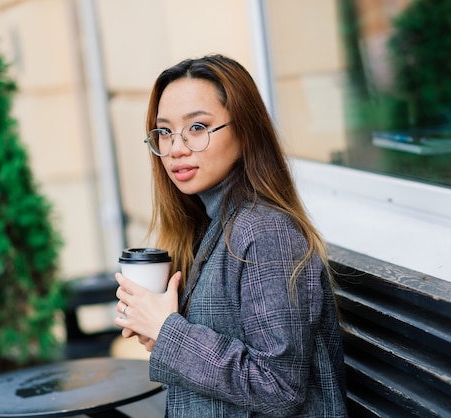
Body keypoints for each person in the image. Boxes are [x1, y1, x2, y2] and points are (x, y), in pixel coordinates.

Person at [114, 54, 347, 417]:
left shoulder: (264, 232)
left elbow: (279, 387)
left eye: (197, 127)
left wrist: (168, 332)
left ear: (245, 129)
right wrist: (158, 330)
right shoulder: (209, 223)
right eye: (164, 131)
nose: (176, 149)